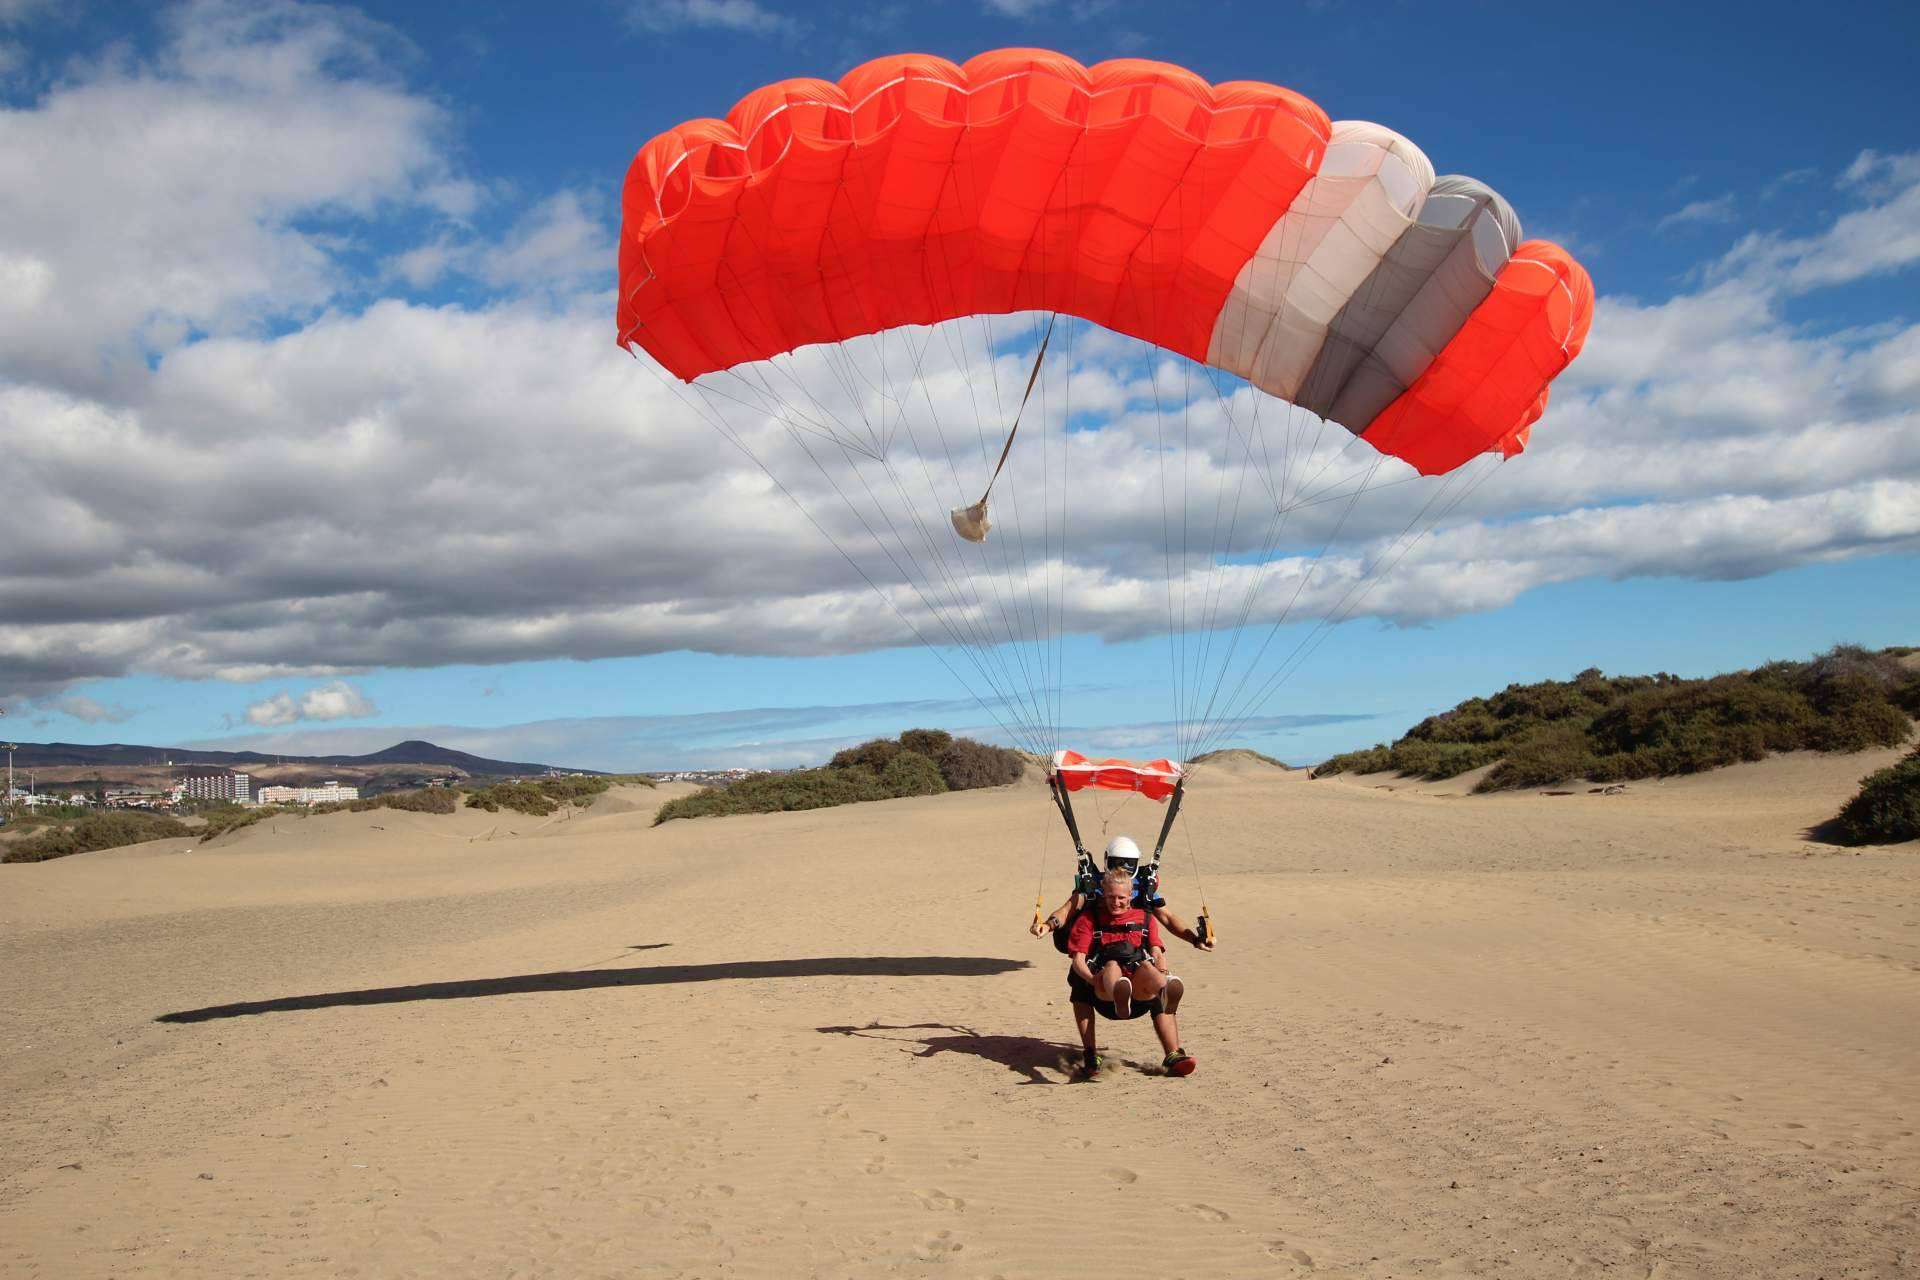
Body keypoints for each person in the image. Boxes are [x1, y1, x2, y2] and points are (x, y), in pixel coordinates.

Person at [1066, 868, 1197, 1077]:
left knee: (1147, 967)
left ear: (1130, 896)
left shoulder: (1145, 918)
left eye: (1121, 898)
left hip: (1139, 993)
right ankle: (1091, 1052)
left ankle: (1166, 996)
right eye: (1111, 897)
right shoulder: (1089, 919)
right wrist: (1092, 979)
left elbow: (1156, 951)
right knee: (1105, 969)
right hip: (1105, 994)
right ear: (1103, 894)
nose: (1116, 902)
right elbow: (1078, 960)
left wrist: (1162, 971)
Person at [1032, 835, 1213, 953]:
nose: (1123, 869)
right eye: (1118, 863)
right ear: (1107, 861)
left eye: (1128, 864)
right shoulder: (1093, 885)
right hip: (1098, 946)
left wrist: (1195, 939)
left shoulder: (1143, 888)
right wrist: (1048, 925)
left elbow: (1168, 918)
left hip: (1132, 948)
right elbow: (1067, 910)